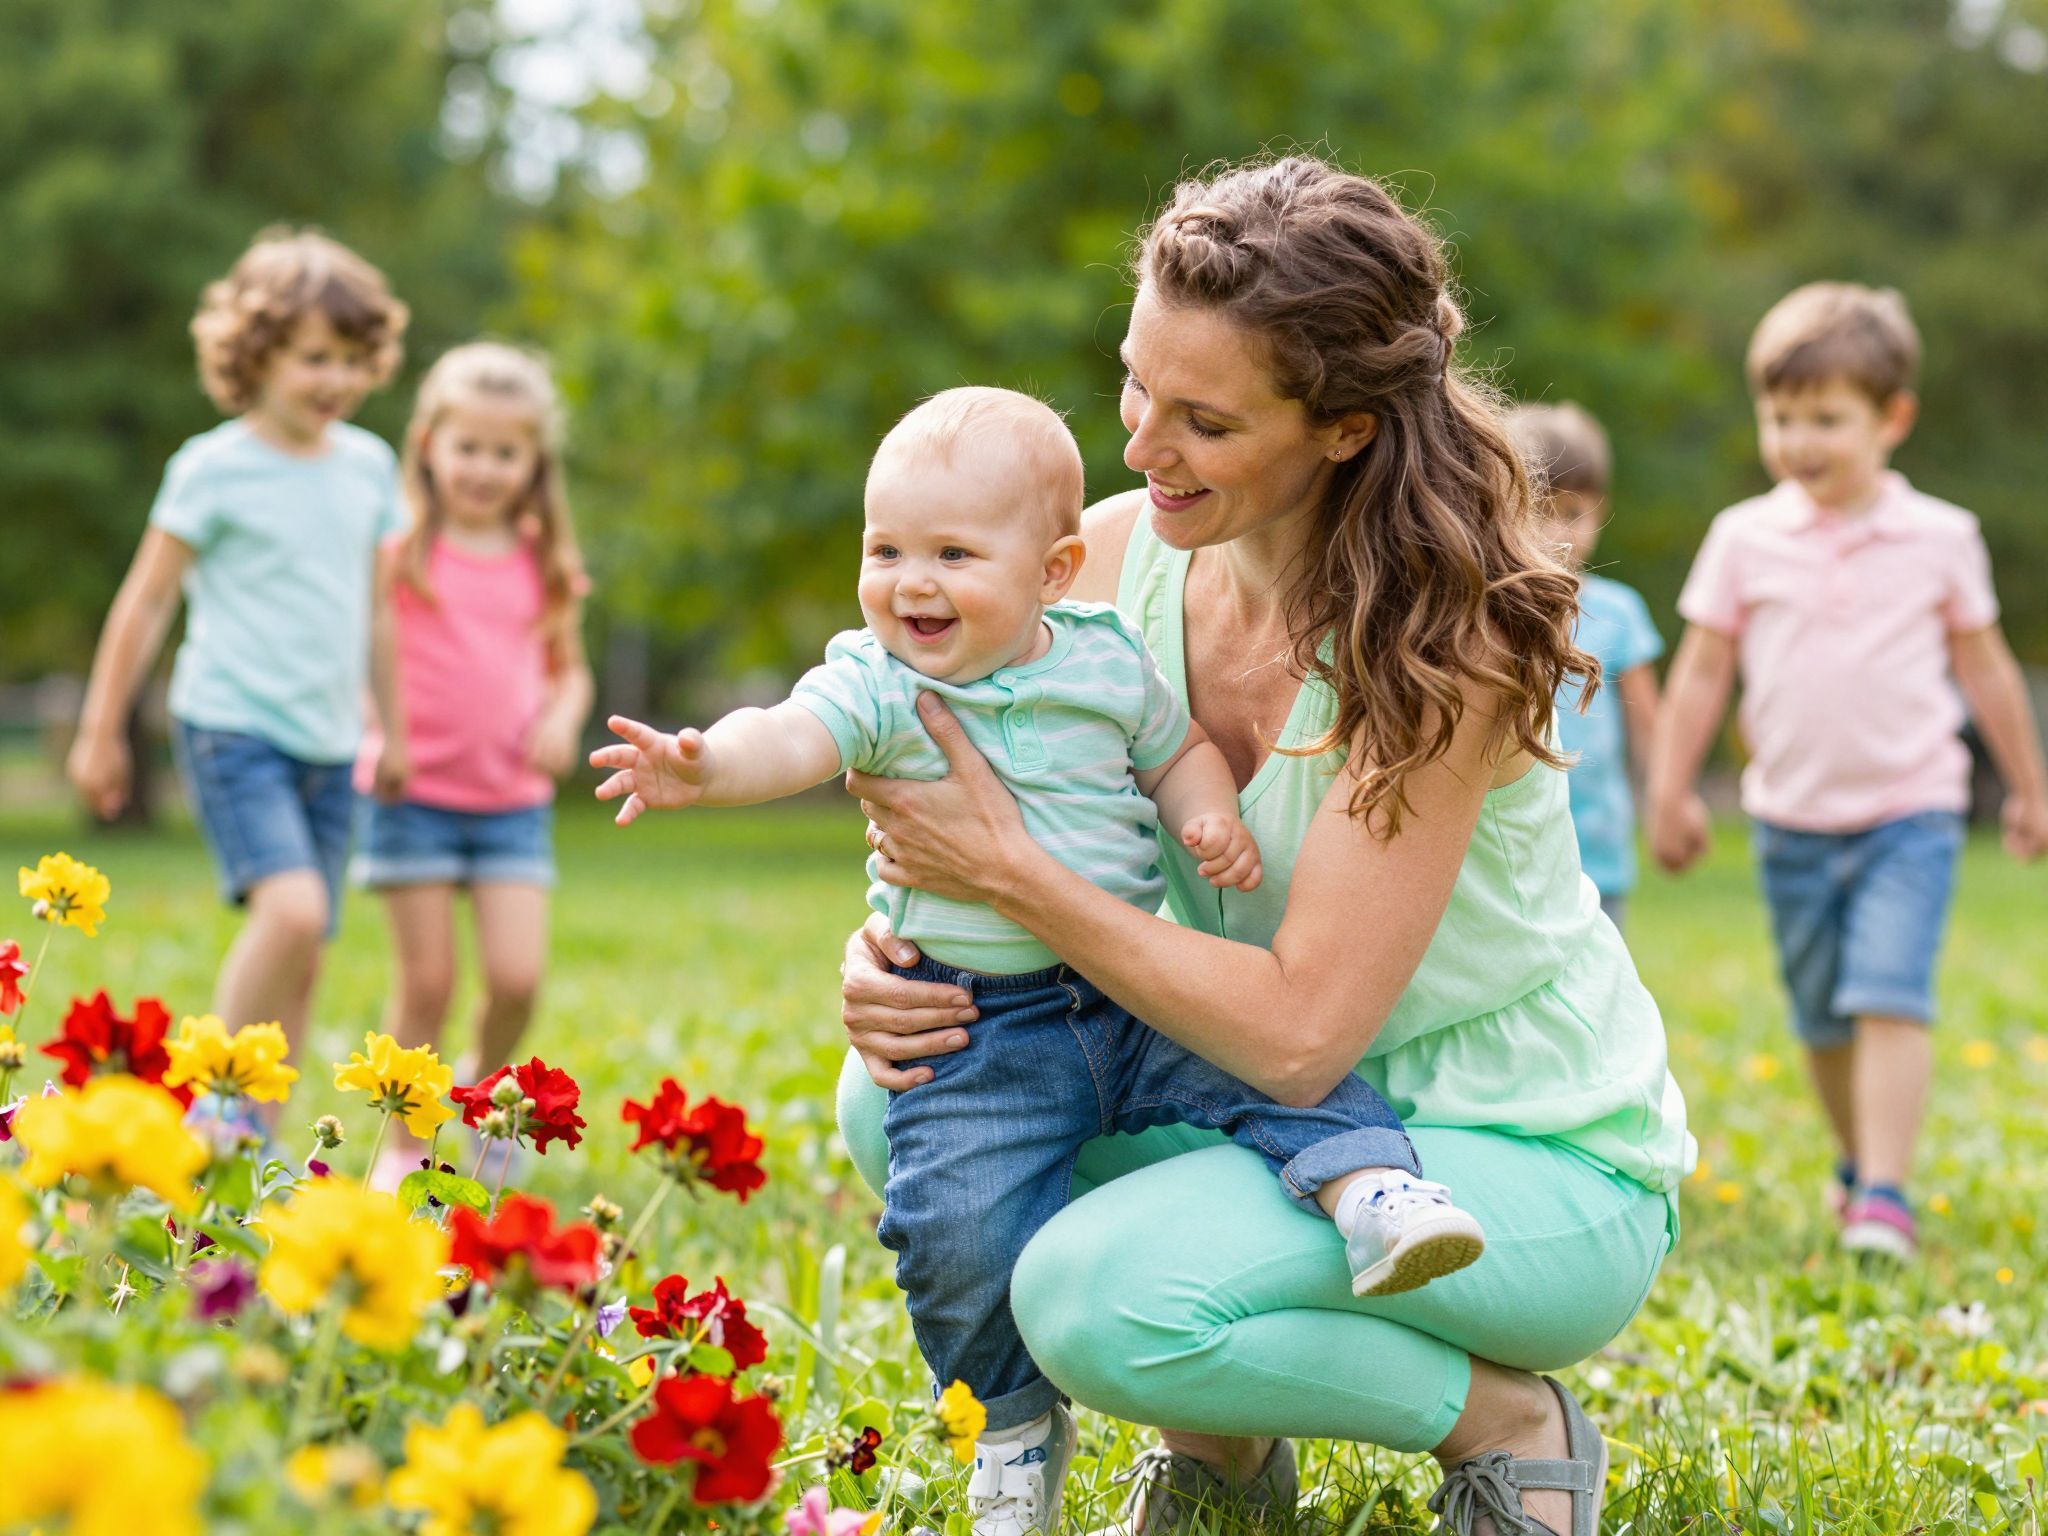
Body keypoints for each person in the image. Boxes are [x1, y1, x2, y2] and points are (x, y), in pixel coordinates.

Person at [835, 159, 1692, 1536]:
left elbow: (1301, 1038)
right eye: (1134, 384)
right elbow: (972, 809)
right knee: (903, 1098)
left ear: (1343, 428)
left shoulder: (1439, 641)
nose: (1136, 446)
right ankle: (1224, 1449)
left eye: (1204, 421)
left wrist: (1014, 880)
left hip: (1504, 1152)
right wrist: (892, 946)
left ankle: (1510, 1424)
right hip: (1236, 1093)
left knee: (1085, 1299)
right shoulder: (1104, 563)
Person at [593, 387, 1489, 1531]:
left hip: (1120, 987)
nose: (911, 581)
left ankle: (1371, 1190)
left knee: (1267, 1082)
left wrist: (1206, 815)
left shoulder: (1104, 658)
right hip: (979, 1024)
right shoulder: (880, 678)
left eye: (953, 553)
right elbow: (790, 734)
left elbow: (1176, 755)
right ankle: (1011, 1426)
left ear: (1055, 569)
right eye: (886, 550)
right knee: (949, 1224)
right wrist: (707, 765)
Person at [1647, 282, 2048, 1263]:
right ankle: (1853, 1159)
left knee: (1888, 992)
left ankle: (1883, 1193)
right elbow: (1701, 672)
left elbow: (1984, 668)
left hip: (1909, 809)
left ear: (1890, 419)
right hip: (1788, 819)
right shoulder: (1744, 538)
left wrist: (2028, 783)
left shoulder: (1938, 538)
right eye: (1780, 418)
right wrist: (1667, 786)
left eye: (1825, 418)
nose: (1798, 440)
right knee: (1823, 1016)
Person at [68, 228, 408, 1124]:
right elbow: (144, 605)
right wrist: (101, 731)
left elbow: (377, 612)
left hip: (330, 741)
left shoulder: (370, 468)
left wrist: (395, 729)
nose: (335, 379)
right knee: (291, 914)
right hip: (233, 726)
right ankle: (209, 1105)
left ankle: (252, 1146)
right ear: (253, 355)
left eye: (352, 359)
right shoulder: (212, 469)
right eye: (313, 358)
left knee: (305, 953)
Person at [352, 343, 594, 1187]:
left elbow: (572, 669)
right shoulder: (400, 549)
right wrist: (380, 732)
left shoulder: (541, 559)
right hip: (411, 792)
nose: (484, 469)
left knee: (516, 977)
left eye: (505, 452)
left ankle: (487, 1104)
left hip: (509, 803)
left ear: (533, 463)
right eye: (468, 448)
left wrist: (563, 718)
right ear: (428, 443)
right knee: (426, 982)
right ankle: (402, 1142)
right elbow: (365, 654)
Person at [1506, 403, 1663, 934]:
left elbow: (1645, 722)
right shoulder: (1490, 612)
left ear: (1600, 512)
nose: (1557, 533)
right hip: (1515, 848)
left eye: (1573, 514)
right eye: (1540, 511)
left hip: (1598, 846)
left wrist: (1664, 798)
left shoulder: (1619, 611)